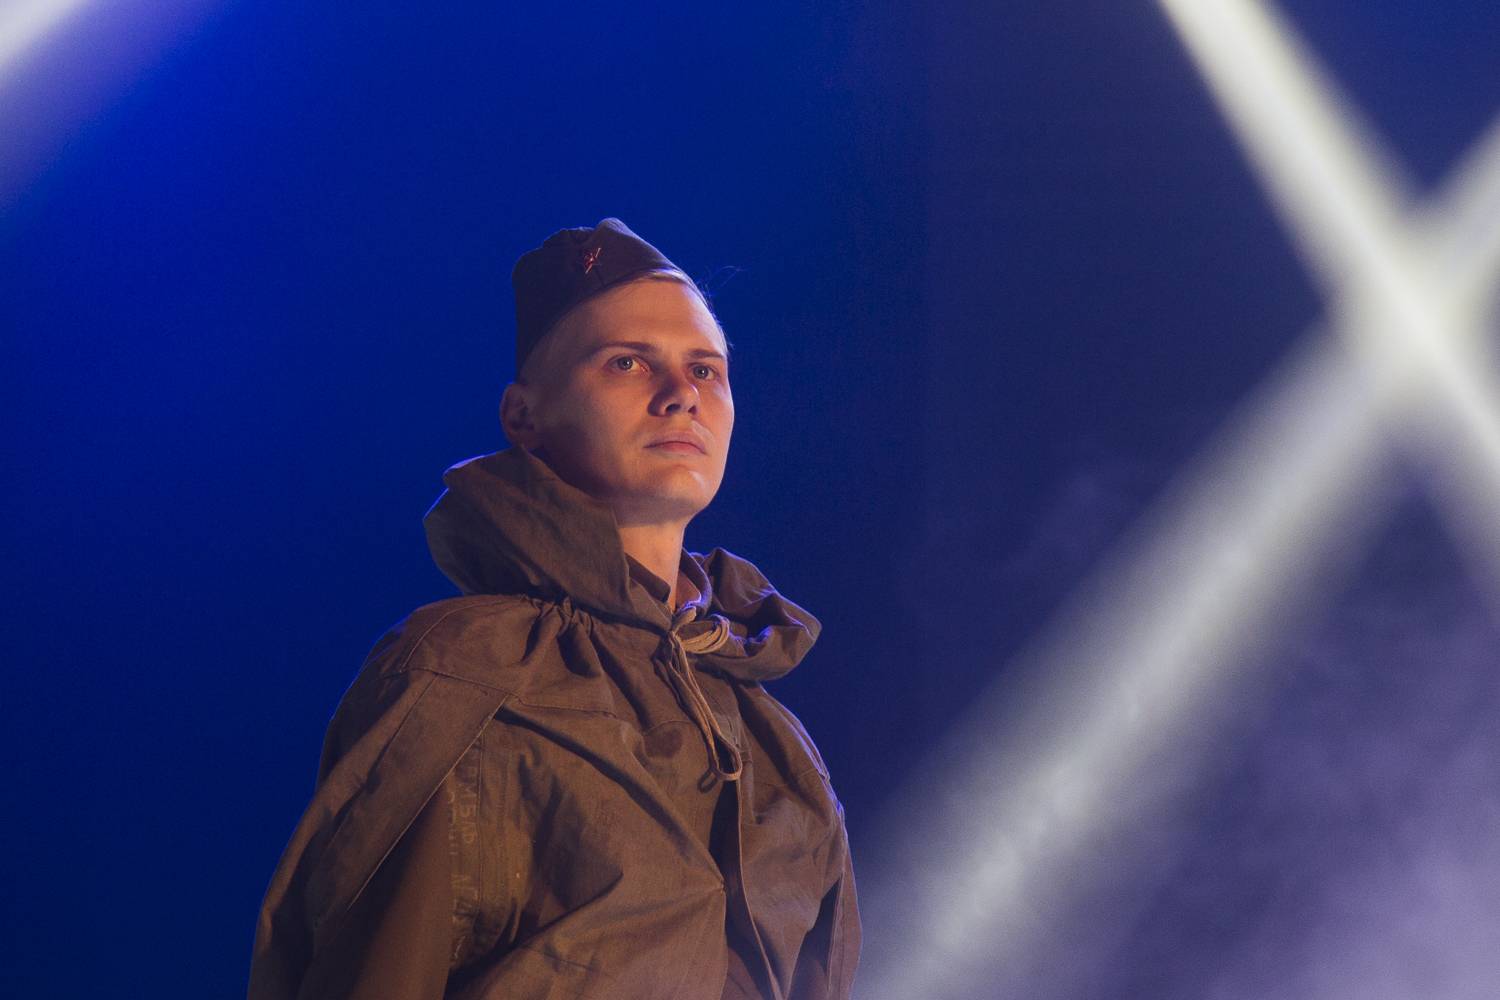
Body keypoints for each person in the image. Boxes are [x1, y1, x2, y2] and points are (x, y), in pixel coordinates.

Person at [248, 219, 861, 999]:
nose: (682, 396)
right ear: (524, 416)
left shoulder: (780, 747)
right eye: (627, 362)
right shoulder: (466, 673)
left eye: (706, 370)